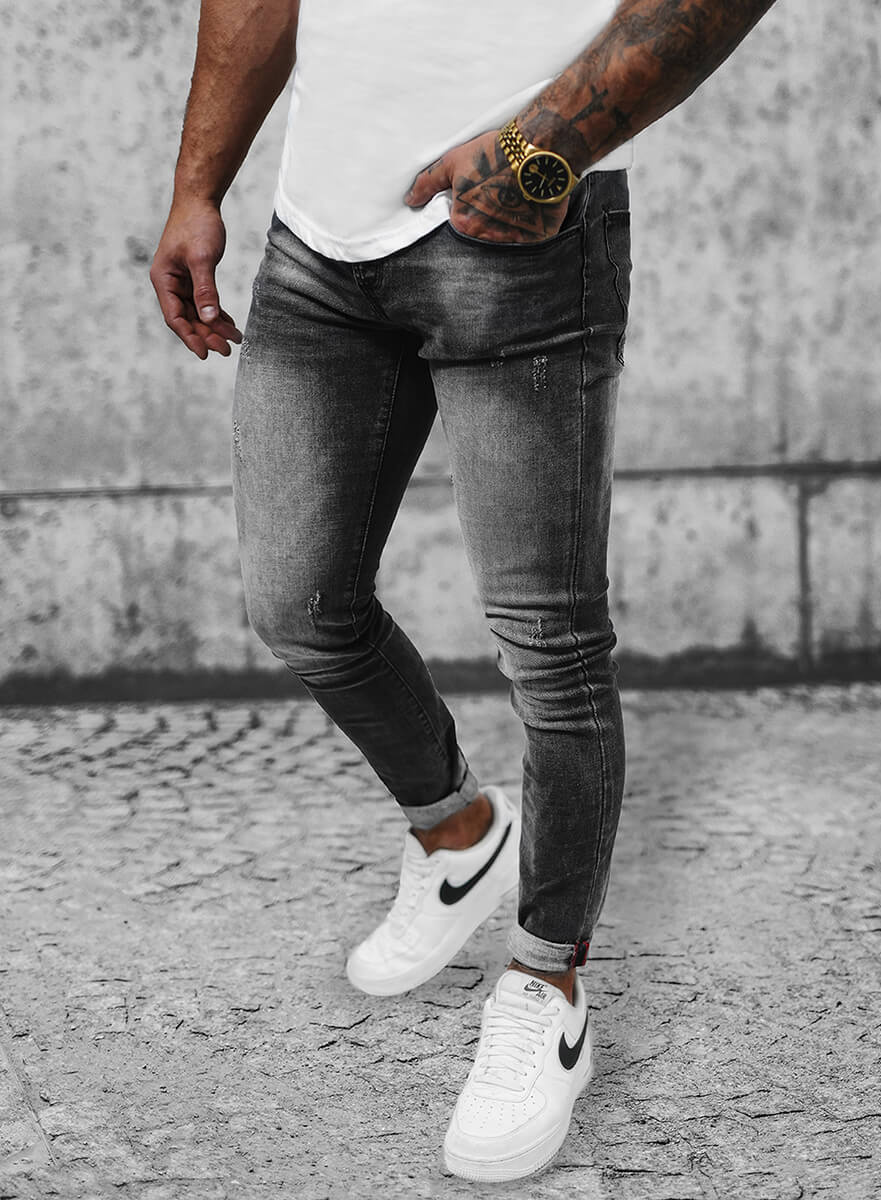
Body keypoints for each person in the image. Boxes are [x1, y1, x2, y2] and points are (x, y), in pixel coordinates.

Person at [150, 0, 777, 1181]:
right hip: (317, 239)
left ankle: (547, 987)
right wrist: (199, 184)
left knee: (551, 649)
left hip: (524, 238)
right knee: (298, 604)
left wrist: (544, 149)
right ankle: (457, 832)